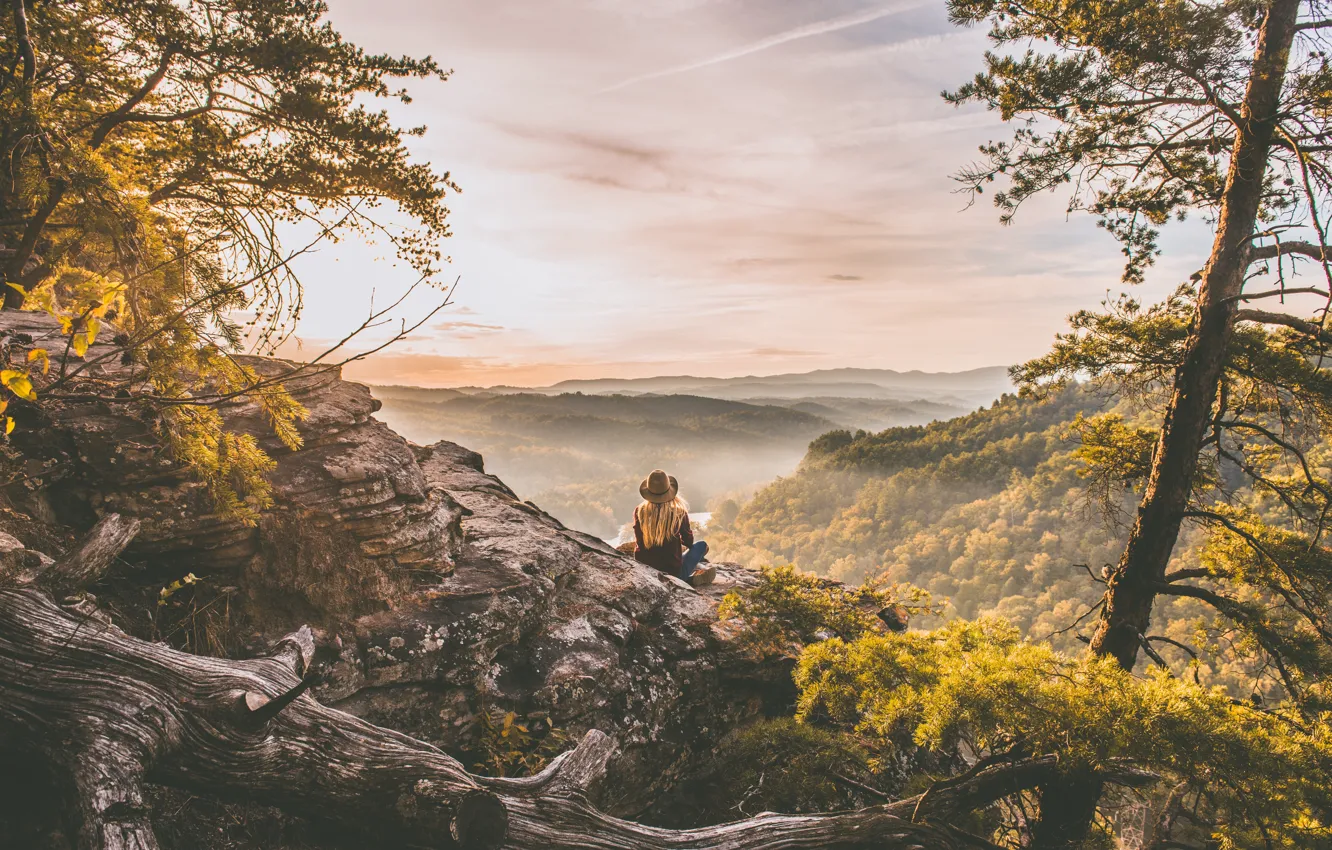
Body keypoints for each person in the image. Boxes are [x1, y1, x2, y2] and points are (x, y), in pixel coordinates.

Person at [632, 469, 715, 586]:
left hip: (646, 573)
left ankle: (689, 577)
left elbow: (639, 542)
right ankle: (687, 579)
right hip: (673, 573)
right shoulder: (678, 512)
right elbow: (689, 542)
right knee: (702, 546)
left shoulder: (639, 512)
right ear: (669, 491)